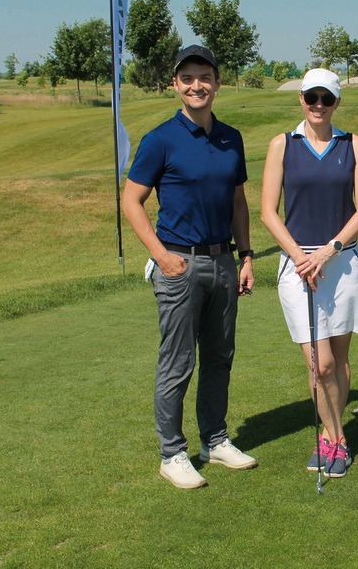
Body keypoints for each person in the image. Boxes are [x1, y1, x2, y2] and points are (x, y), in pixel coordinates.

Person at [122, 45, 257, 489]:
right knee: (178, 362)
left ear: (217, 83)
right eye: (187, 78)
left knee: (220, 358)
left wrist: (245, 255)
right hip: (179, 263)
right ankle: (172, 453)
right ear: (175, 85)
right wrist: (160, 254)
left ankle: (214, 441)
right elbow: (131, 201)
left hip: (223, 261)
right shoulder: (160, 139)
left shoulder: (231, 138)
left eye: (204, 77)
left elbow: (238, 202)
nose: (196, 85)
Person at [260, 68, 358, 478]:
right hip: (298, 265)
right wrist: (300, 257)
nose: (318, 105)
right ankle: (338, 437)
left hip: (341, 263)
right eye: (312, 98)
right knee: (319, 364)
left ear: (337, 102)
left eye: (326, 98)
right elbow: (268, 212)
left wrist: (327, 251)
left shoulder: (352, 144)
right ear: (302, 100)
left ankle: (329, 438)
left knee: (338, 359)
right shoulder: (282, 145)